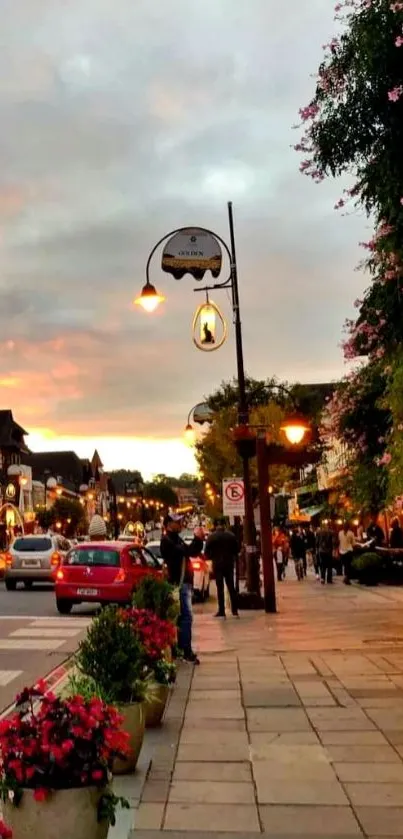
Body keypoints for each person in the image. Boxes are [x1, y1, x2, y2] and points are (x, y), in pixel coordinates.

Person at [160, 514, 203, 664]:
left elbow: (191, 551)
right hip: (179, 584)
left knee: (182, 617)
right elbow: (185, 552)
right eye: (177, 522)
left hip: (183, 583)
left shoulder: (175, 539)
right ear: (169, 524)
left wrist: (198, 541)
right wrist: (197, 539)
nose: (180, 524)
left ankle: (180, 648)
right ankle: (185, 650)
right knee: (186, 616)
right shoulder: (167, 541)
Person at [205, 519, 239, 618]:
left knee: (220, 588)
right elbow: (236, 549)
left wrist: (213, 557)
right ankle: (235, 610)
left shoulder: (212, 537)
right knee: (231, 587)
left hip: (218, 564)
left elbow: (206, 552)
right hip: (229, 564)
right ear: (224, 525)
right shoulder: (231, 536)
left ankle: (221, 610)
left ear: (215, 526)